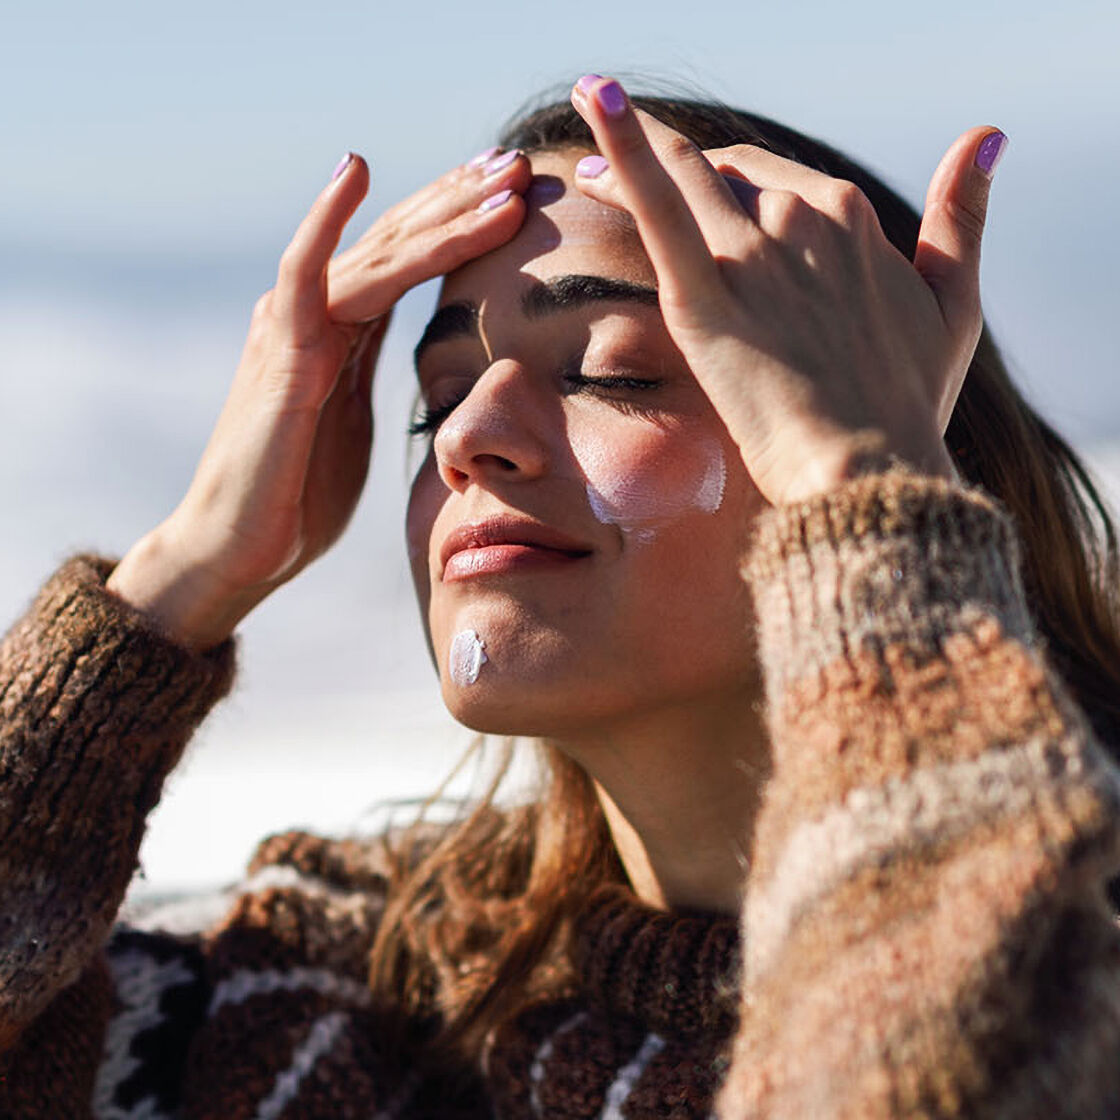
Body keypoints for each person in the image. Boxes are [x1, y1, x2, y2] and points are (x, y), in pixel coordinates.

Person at [2, 73, 1120, 1118]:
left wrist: (861, 492)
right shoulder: (339, 985)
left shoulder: (1083, 966)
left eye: (611, 371)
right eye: (438, 399)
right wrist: (184, 574)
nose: (468, 440)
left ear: (920, 456)